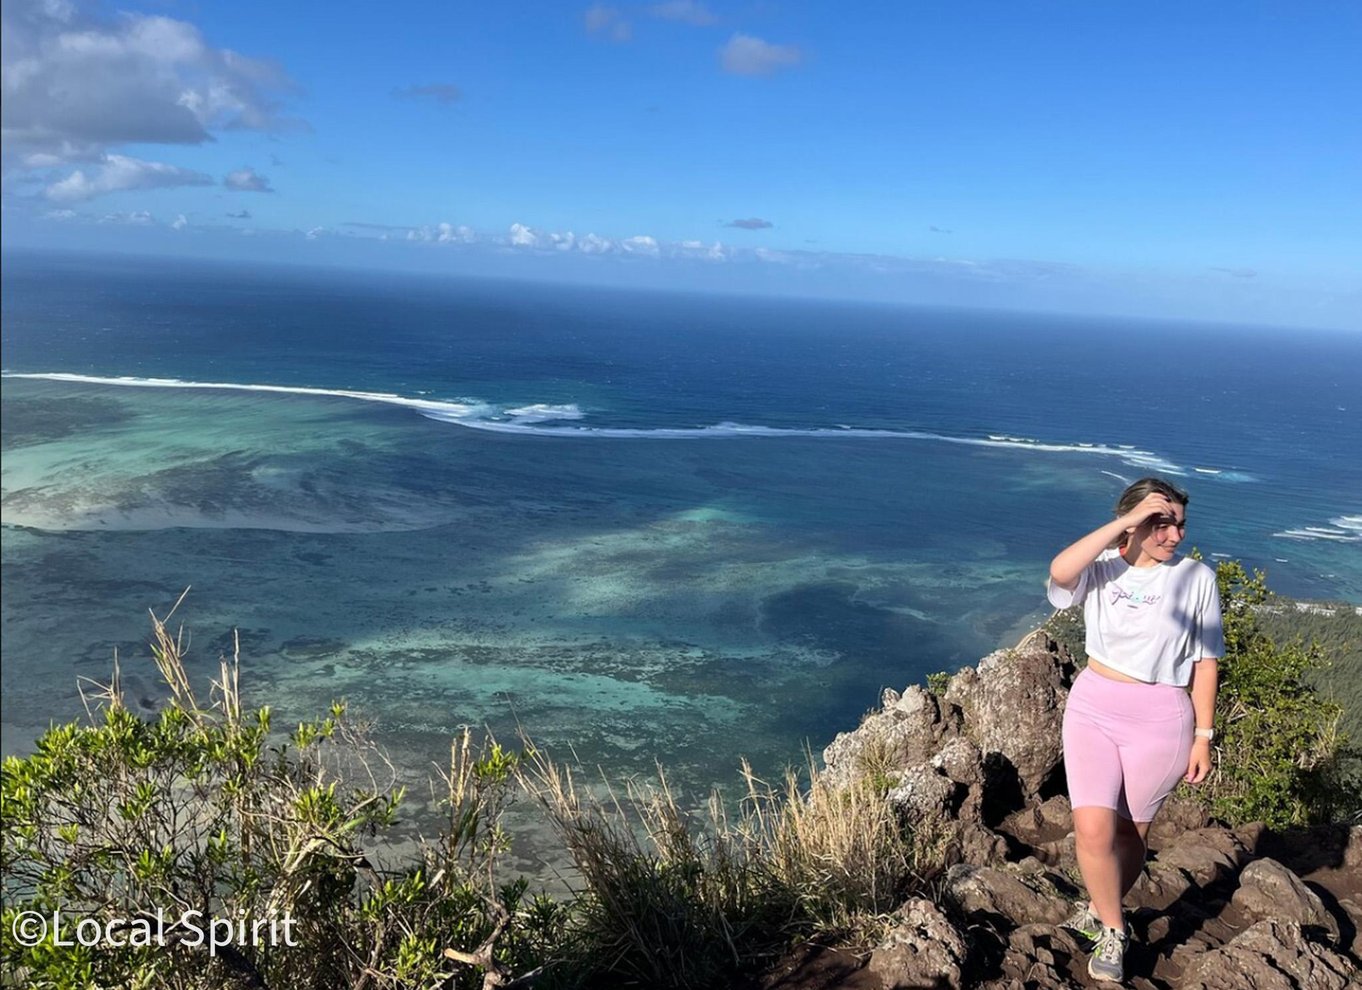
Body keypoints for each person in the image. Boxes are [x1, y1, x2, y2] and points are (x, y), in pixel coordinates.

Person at [1046, 477, 1223, 983]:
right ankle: (1115, 930)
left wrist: (1204, 737)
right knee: (1092, 828)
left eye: (1179, 525)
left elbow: (1206, 664)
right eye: (1161, 523)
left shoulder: (1196, 579)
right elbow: (1059, 570)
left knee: (1130, 834)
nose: (1174, 535)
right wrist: (1123, 524)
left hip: (1162, 718)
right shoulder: (1100, 573)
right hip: (1094, 707)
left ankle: (1100, 910)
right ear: (1134, 523)